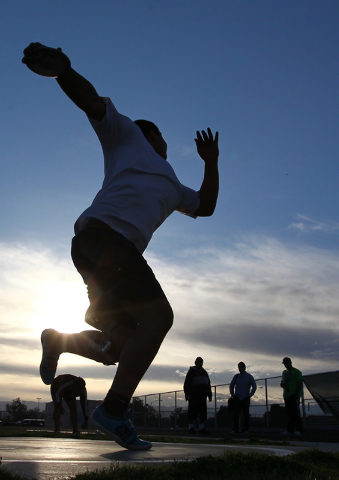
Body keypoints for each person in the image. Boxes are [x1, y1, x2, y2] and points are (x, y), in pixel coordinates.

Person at [22, 43, 220, 450]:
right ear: (149, 135)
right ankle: (113, 410)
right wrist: (63, 71)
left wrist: (211, 162)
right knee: (159, 317)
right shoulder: (127, 136)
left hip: (99, 253)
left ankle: (62, 339)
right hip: (107, 240)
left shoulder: (174, 186)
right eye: (160, 134)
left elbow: (207, 207)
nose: (164, 141)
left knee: (122, 347)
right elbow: (91, 102)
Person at [184, 357, 212, 434]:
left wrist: (209, 394)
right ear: (195, 362)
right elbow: (187, 383)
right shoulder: (192, 371)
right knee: (192, 412)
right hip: (194, 395)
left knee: (202, 412)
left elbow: (208, 384)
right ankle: (191, 428)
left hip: (203, 396)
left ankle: (201, 428)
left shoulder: (205, 372)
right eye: (198, 362)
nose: (200, 363)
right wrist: (187, 393)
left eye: (201, 362)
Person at [229, 362, 257, 433]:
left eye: (241, 367)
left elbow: (254, 386)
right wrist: (233, 394)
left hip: (245, 398)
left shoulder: (249, 376)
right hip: (237, 397)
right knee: (236, 414)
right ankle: (235, 428)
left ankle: (245, 429)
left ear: (244, 367)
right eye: (239, 367)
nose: (240, 368)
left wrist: (249, 395)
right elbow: (231, 385)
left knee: (245, 414)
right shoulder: (236, 376)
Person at [280, 357, 303, 435]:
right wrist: (282, 385)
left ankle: (299, 429)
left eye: (287, 363)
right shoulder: (284, 373)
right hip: (287, 395)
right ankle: (290, 430)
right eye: (285, 363)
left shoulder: (296, 372)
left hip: (294, 395)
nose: (286, 365)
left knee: (296, 412)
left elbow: (300, 383)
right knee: (289, 413)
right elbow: (283, 382)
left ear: (290, 362)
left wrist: (296, 393)